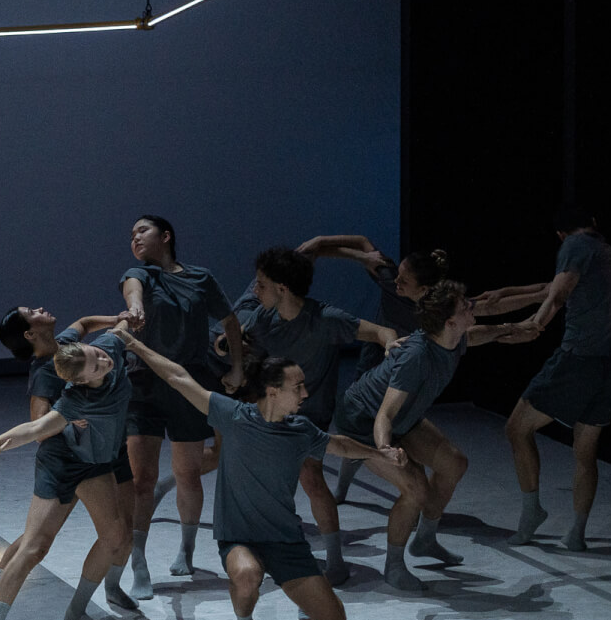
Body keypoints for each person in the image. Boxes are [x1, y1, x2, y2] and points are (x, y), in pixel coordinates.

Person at [116, 332, 411, 620]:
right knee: (246, 574)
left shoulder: (301, 429)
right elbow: (178, 377)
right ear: (272, 392)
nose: (306, 393)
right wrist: (134, 345)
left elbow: (338, 444)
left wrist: (379, 454)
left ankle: (294, 586)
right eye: (297, 387)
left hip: (286, 542)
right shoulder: (234, 417)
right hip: (240, 539)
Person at [295, 235, 547, 501]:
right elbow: (363, 244)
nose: (397, 281)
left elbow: (485, 312)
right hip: (378, 366)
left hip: (409, 367)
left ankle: (390, 476)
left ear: (424, 290)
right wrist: (321, 245)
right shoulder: (395, 284)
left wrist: (539, 300)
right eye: (399, 275)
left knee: (399, 424)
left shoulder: (442, 309)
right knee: (370, 421)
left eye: (404, 280)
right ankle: (347, 483)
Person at [331, 281, 539, 590]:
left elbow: (474, 336)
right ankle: (394, 565)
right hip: (362, 421)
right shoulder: (417, 357)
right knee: (415, 487)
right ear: (450, 321)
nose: (472, 306)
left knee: (454, 463)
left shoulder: (452, 338)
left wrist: (509, 329)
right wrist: (386, 450)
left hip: (404, 417)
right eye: (465, 306)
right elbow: (384, 414)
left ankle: (425, 540)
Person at [0, 320, 136, 620]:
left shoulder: (110, 348)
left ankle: (76, 613)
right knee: (35, 547)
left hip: (96, 462)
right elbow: (35, 428)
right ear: (80, 380)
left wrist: (129, 315)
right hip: (61, 465)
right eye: (96, 365)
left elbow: (116, 328)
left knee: (116, 537)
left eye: (98, 355)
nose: (103, 361)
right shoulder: (75, 402)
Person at [233, 246, 399, 584]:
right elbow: (237, 342)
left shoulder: (325, 319)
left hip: (311, 414)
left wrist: (390, 343)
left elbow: (379, 331)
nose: (255, 290)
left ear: (282, 288)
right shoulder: (264, 319)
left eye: (262, 284)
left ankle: (335, 561)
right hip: (274, 413)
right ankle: (277, 553)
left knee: (310, 478)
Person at [121, 215, 245, 588]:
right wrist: (136, 307)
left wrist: (237, 366)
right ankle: (138, 561)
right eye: (131, 234)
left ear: (166, 235)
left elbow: (231, 322)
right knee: (142, 479)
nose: (135, 238)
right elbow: (132, 291)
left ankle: (186, 550)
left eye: (142, 230)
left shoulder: (199, 278)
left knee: (188, 473)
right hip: (144, 383)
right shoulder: (138, 275)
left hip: (190, 383)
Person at [505, 206, 611, 550]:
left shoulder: (574, 246)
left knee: (517, 428)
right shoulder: (604, 250)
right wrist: (505, 295)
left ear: (561, 234)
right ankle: (576, 533)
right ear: (593, 222)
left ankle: (532, 512)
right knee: (585, 449)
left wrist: (533, 326)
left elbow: (559, 293)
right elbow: (551, 287)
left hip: (579, 358)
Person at [0, 305, 140, 605]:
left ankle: (111, 589)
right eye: (31, 311)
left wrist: (118, 318)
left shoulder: (65, 344)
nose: (40, 308)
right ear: (29, 333)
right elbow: (40, 427)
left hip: (111, 447)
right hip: (75, 459)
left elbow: (85, 321)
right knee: (36, 540)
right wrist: (71, 423)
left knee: (123, 528)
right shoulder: (45, 370)